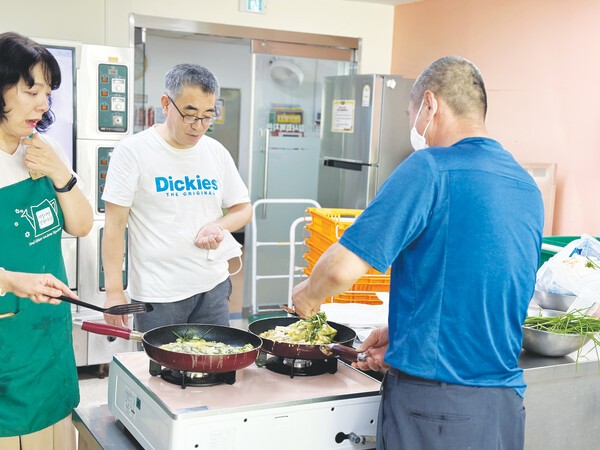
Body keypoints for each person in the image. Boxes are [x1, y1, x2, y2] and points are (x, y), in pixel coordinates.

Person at [292, 56, 544, 450]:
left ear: (430, 104)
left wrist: (307, 296)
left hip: (437, 410)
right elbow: (480, 287)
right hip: (503, 408)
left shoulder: (430, 168)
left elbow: (341, 268)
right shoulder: (524, 184)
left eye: (412, 115)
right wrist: (407, 334)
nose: (415, 130)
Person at [102, 63, 252, 332]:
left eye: (208, 116)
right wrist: (114, 290)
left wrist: (219, 225)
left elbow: (242, 208)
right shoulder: (132, 152)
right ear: (166, 103)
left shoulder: (215, 152)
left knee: (213, 367)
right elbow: (114, 227)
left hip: (213, 287)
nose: (198, 126)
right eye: (190, 114)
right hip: (158, 295)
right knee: (161, 372)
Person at [0, 31, 93, 449]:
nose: (43, 103)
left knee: (56, 434)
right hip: (8, 338)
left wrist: (61, 175)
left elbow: (81, 225)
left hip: (49, 332)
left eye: (48, 93)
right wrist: (12, 280)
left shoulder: (42, 148)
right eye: (30, 89)